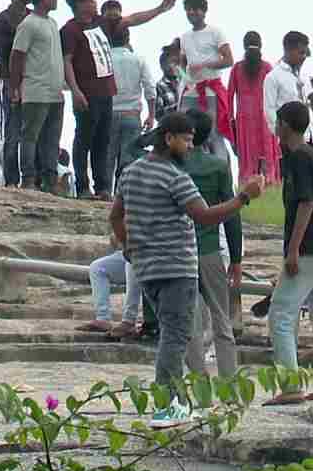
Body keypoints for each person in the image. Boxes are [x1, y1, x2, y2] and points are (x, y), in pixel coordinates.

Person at [108, 112, 262, 427]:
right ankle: (168, 406)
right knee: (176, 338)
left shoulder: (131, 173)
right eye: (187, 139)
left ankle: (174, 402)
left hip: (147, 268)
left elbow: (115, 216)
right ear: (169, 139)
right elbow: (204, 216)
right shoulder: (175, 177)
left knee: (170, 334)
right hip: (177, 267)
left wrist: (128, 247)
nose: (190, 146)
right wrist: (244, 196)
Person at [62, 0, 176, 200]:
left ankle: (103, 187)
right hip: (87, 93)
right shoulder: (70, 30)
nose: (95, 2)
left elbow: (132, 19)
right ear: (80, 4)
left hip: (106, 92)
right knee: (84, 139)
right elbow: (66, 61)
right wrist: (75, 91)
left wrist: (160, 8)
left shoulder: (100, 23)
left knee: (103, 142)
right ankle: (83, 186)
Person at [266, 101, 313, 406]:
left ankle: (290, 385)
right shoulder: (312, 156)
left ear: (284, 124)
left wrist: (294, 248)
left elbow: (306, 203)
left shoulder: (299, 157)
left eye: (277, 122)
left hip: (308, 246)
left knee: (281, 313)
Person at [181, 109, 242, 378]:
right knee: (221, 319)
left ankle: (199, 381)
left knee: (190, 322)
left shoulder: (173, 166)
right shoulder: (217, 167)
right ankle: (229, 381)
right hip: (210, 250)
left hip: (179, 252)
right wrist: (237, 259)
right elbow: (231, 215)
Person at [10, 0, 66, 192]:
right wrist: (15, 88)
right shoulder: (28, 23)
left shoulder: (52, 23)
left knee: (52, 138)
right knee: (30, 135)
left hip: (55, 92)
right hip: (35, 90)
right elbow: (17, 56)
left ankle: (50, 180)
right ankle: (28, 178)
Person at [178, 0, 233, 161]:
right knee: (186, 134)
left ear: (204, 11)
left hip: (210, 92)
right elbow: (182, 66)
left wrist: (205, 65)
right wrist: (184, 78)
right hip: (191, 92)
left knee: (214, 134)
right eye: (188, 9)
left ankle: (223, 177)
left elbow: (229, 60)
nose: (191, 13)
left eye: (195, 9)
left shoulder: (215, 32)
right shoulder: (185, 37)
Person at [0, 0, 32, 187]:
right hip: (12, 84)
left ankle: (31, 178)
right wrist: (10, 85)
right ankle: (11, 179)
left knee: (33, 133)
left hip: (34, 83)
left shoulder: (35, 17)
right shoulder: (2, 20)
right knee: (13, 133)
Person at [227, 31, 279, 181]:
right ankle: (269, 181)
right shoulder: (267, 67)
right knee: (267, 155)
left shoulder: (237, 69)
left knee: (247, 159)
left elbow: (229, 97)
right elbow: (275, 96)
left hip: (244, 121)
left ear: (243, 46)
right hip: (265, 119)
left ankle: (247, 188)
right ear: (261, 45)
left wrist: (231, 124)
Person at [108, 27, 155, 184]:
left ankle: (105, 191)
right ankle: (124, 195)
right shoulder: (138, 59)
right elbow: (150, 88)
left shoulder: (105, 59)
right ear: (127, 39)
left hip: (108, 114)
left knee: (107, 157)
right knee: (129, 161)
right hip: (131, 115)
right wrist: (151, 115)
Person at [81, 234, 143, 334]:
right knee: (98, 267)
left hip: (155, 252)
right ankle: (102, 318)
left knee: (132, 261)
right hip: (131, 250)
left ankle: (129, 320)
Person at [262, 31, 310, 137]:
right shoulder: (273, 77)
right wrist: (283, 136)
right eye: (301, 53)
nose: (304, 57)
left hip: (311, 136)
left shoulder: (304, 76)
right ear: (288, 50)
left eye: (305, 53)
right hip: (291, 140)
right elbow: (269, 110)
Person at [154, 43, 182, 122]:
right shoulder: (159, 86)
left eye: (176, 63)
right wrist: (179, 107)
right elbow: (158, 114)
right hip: (170, 129)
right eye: (170, 63)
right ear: (162, 66)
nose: (173, 66)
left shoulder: (185, 82)